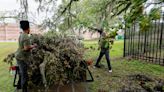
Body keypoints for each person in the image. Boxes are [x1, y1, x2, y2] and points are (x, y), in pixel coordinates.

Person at [15, 20, 37, 92]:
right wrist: (33, 46)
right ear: (28, 28)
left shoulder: (21, 35)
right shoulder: (26, 37)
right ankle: (24, 90)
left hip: (18, 56)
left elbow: (23, 46)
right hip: (22, 58)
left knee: (21, 73)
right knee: (24, 76)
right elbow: (26, 48)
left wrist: (30, 46)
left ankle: (19, 87)